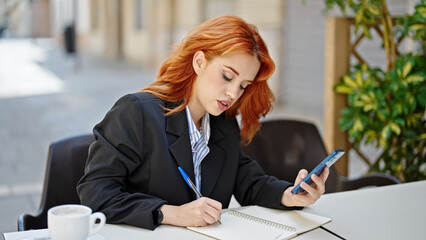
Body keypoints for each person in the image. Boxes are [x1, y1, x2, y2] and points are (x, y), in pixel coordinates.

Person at [77, 15, 329, 230]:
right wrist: (170, 213)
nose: (233, 94)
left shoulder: (223, 123)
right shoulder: (136, 113)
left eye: (243, 86)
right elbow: (95, 193)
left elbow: (248, 182)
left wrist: (291, 196)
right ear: (199, 62)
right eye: (227, 76)